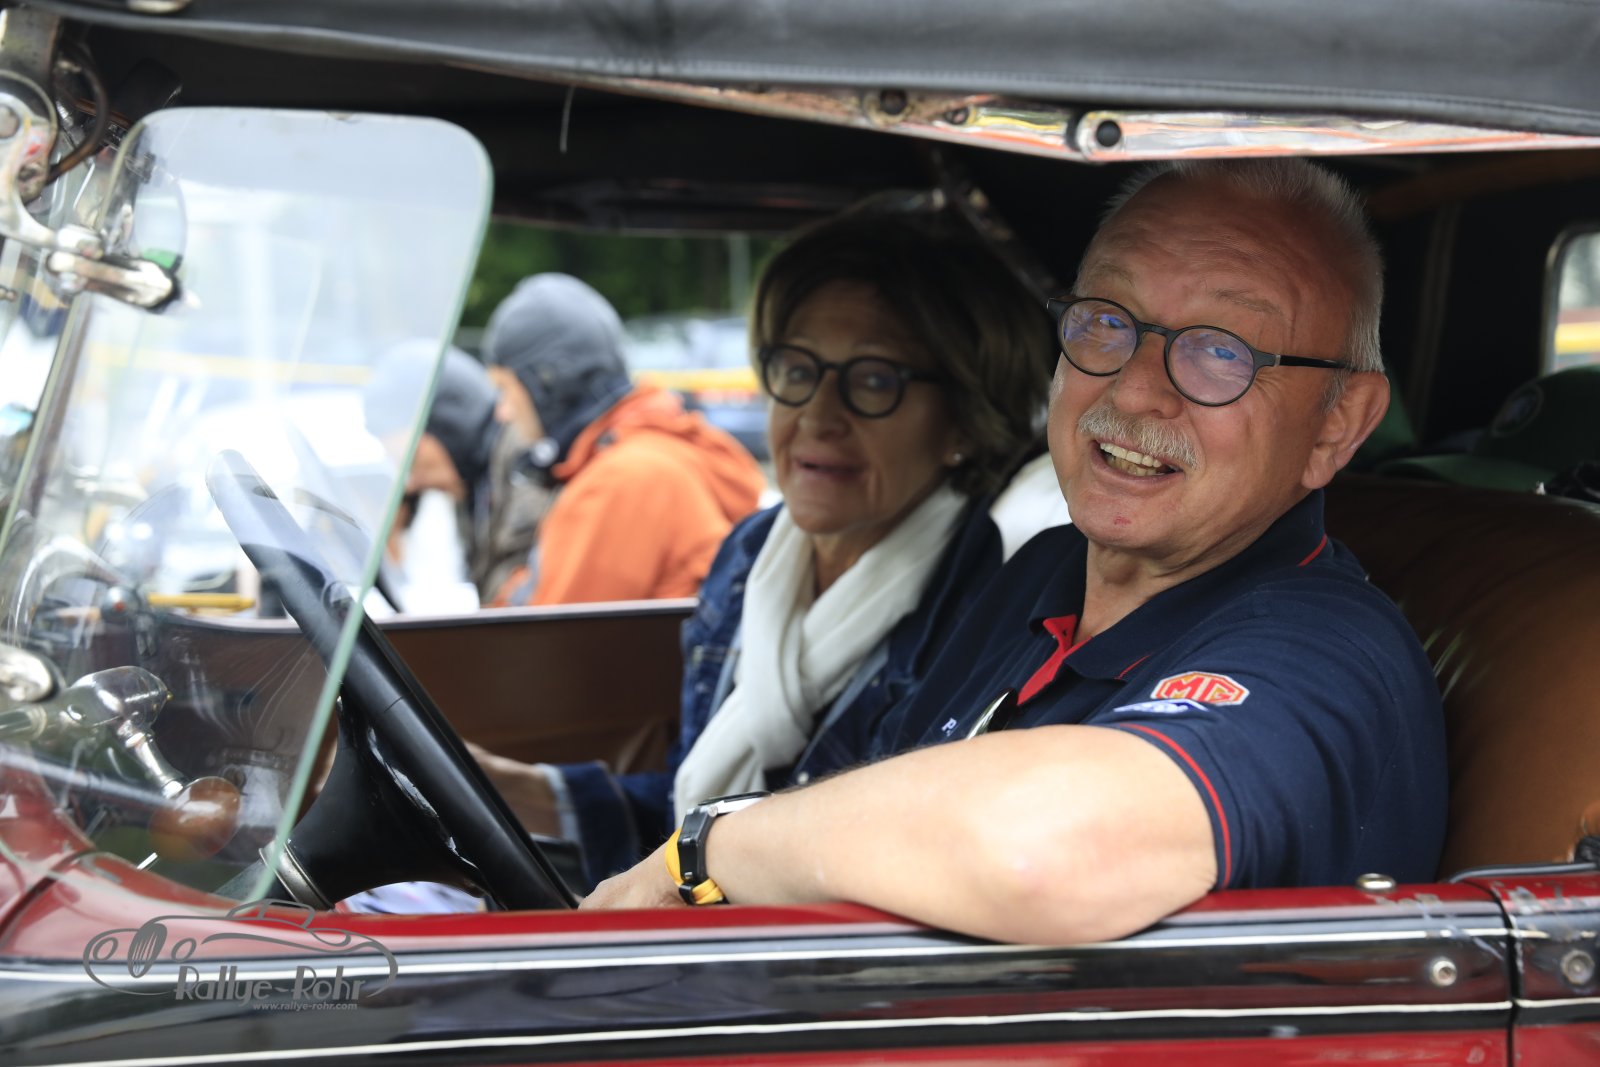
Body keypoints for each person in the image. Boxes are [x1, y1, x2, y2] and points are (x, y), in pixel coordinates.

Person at [581, 158, 1449, 945]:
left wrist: (704, 850)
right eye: (1106, 322)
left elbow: (1047, 849)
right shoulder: (1043, 574)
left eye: (1221, 352)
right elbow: (853, 803)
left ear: (1336, 425)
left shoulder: (1327, 650)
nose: (1133, 390)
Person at [471, 212, 1059, 890]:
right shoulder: (751, 556)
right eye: (797, 369)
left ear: (965, 417)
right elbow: (689, 808)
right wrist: (512, 788)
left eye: (874, 381)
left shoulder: (990, 605)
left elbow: (869, 864)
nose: (817, 415)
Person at [482, 274, 766, 606]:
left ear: (545, 383)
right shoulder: (658, 449)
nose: (503, 411)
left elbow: (552, 634)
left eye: (505, 388)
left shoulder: (619, 481)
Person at [363, 343, 552, 604]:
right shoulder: (476, 483)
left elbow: (519, 599)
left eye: (413, 461)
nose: (412, 483)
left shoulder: (523, 471)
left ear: (451, 429)